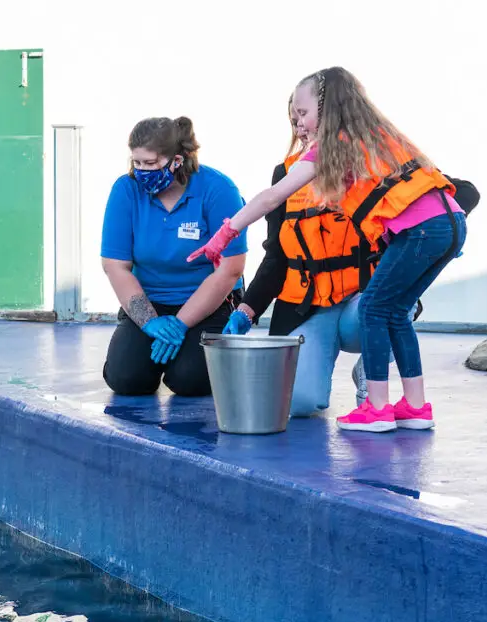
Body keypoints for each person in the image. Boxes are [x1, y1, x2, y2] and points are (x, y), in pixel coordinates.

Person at [189, 67, 469, 432]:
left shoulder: (333, 147)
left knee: (375, 308)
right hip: (450, 224)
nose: (299, 124)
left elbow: (272, 196)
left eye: (303, 114)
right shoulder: (382, 138)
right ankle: (416, 406)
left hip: (419, 233)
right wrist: (248, 310)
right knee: (395, 312)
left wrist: (226, 232)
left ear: (328, 107)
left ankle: (377, 408)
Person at [100, 116, 249, 397]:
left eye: (151, 163)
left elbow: (230, 269)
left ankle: (205, 354)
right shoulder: (126, 190)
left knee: (190, 381)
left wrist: (180, 324)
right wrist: (150, 321)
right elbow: (115, 266)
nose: (142, 171)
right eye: (137, 163)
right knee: (126, 380)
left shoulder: (218, 190)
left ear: (177, 160)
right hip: (151, 301)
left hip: (207, 301)